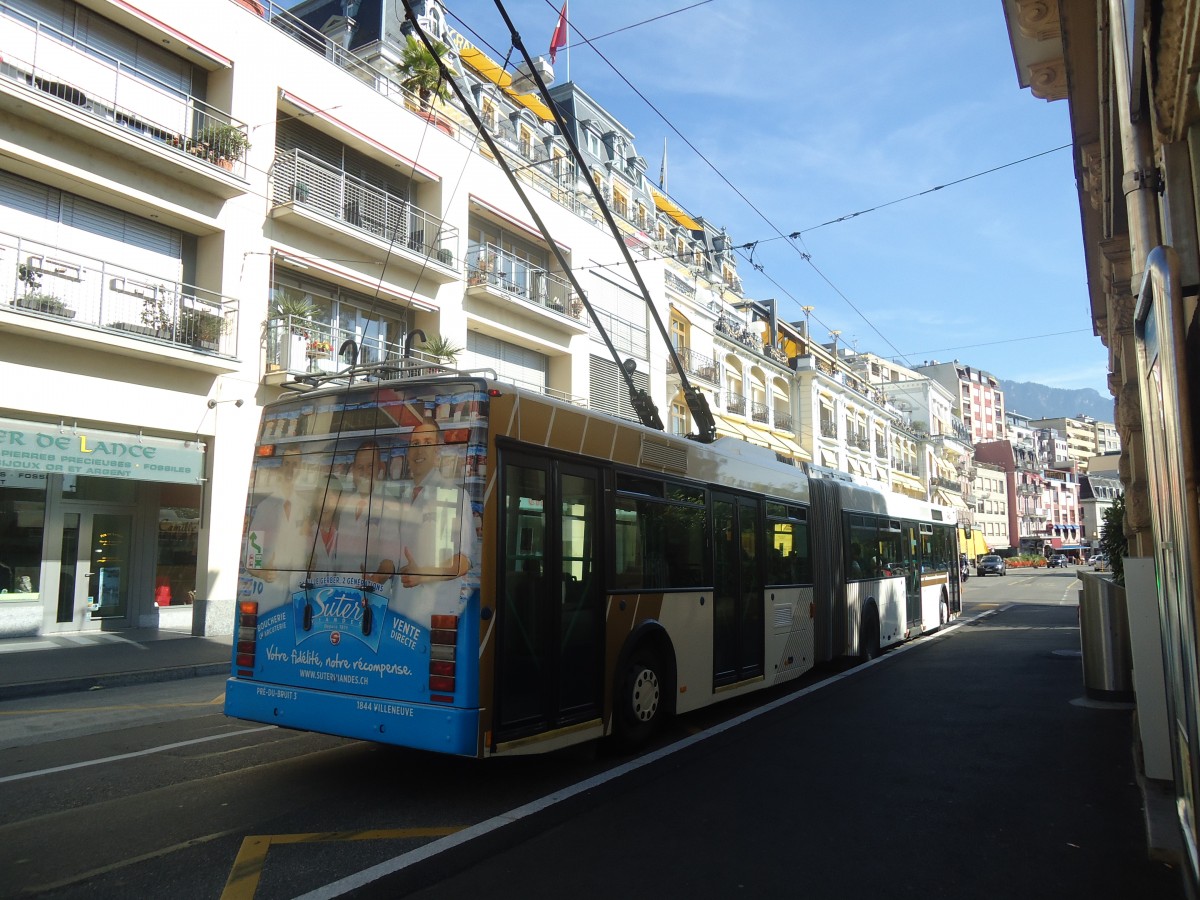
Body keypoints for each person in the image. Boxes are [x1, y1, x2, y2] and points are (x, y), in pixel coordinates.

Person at [394, 416, 472, 622]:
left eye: (428, 444)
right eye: (415, 444)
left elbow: (462, 562)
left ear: (438, 451)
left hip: (432, 616)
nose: (419, 451)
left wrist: (422, 574)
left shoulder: (451, 495)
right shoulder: (402, 498)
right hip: (399, 612)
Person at [333, 439, 396, 585]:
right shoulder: (346, 504)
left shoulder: (389, 506)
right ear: (353, 470)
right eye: (360, 467)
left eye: (370, 466)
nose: (365, 473)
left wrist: (376, 579)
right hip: (340, 592)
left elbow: (389, 560)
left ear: (380, 468)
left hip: (371, 593)